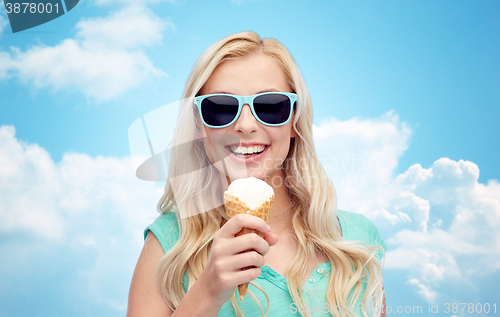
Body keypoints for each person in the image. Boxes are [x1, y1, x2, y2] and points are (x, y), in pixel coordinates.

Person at [127, 31, 387, 317]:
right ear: (198, 127)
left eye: (271, 106)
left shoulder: (358, 239)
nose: (246, 125)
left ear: (294, 121)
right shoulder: (168, 244)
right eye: (221, 108)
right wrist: (208, 292)